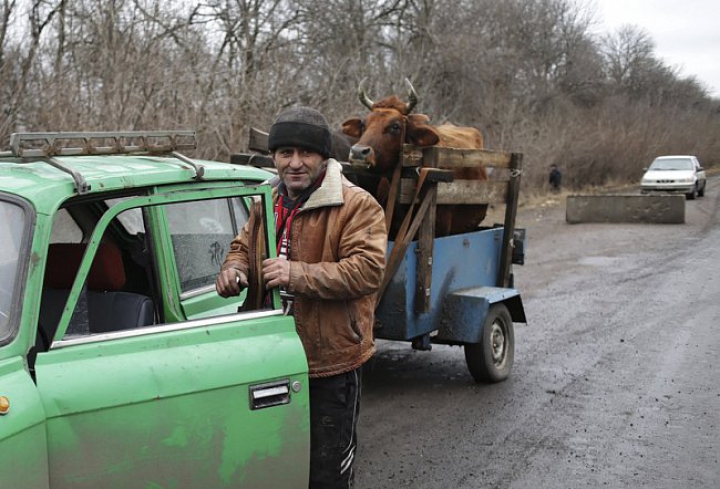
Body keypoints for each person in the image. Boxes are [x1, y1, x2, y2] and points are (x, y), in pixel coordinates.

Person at [215, 106, 387, 488]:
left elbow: (368, 270)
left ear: (323, 156)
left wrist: (297, 273)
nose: (295, 163)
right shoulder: (267, 199)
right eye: (285, 153)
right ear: (273, 157)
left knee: (326, 473)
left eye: (305, 153)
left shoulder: (356, 205)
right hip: (271, 356)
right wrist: (234, 269)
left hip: (329, 364)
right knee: (276, 464)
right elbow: (243, 246)